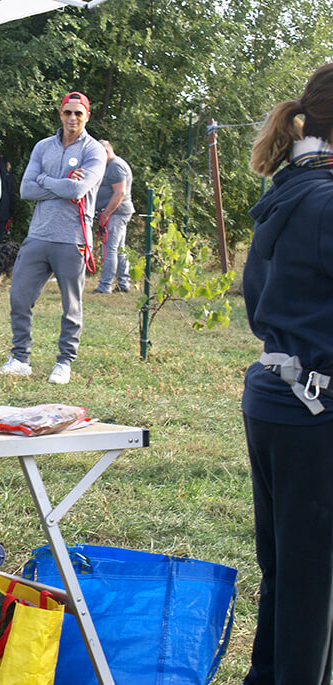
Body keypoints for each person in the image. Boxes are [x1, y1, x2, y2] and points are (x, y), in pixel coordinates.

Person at [241, 62, 333, 685]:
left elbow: (259, 302)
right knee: (312, 583)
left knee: (290, 574)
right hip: (313, 410)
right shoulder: (324, 201)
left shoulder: (289, 189)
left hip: (277, 397)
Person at [0, 91, 106, 385]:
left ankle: (64, 362)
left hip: (73, 238)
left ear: (87, 116)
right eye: (68, 112)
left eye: (78, 113)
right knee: (19, 297)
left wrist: (45, 180)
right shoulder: (43, 147)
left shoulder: (94, 151)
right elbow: (26, 190)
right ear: (60, 114)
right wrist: (59, 183)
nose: (72, 118)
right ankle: (20, 359)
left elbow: (77, 191)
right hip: (39, 235)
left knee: (71, 305)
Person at [91, 140, 135, 294]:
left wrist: (106, 214)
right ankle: (123, 283)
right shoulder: (112, 165)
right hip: (115, 212)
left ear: (106, 152)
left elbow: (120, 193)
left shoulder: (116, 166)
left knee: (109, 250)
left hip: (116, 213)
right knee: (119, 249)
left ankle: (105, 286)